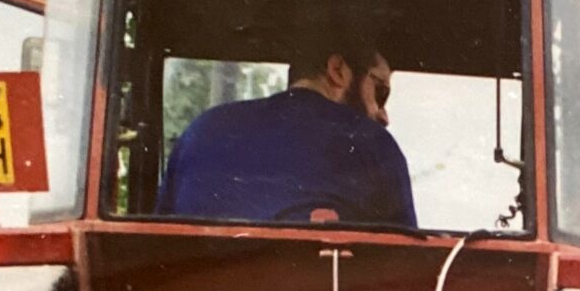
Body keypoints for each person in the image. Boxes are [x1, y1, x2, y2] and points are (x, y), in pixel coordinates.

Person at [158, 26, 418, 227]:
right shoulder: (372, 144)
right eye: (380, 92)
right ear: (338, 70)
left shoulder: (202, 130)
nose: (383, 115)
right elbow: (407, 271)